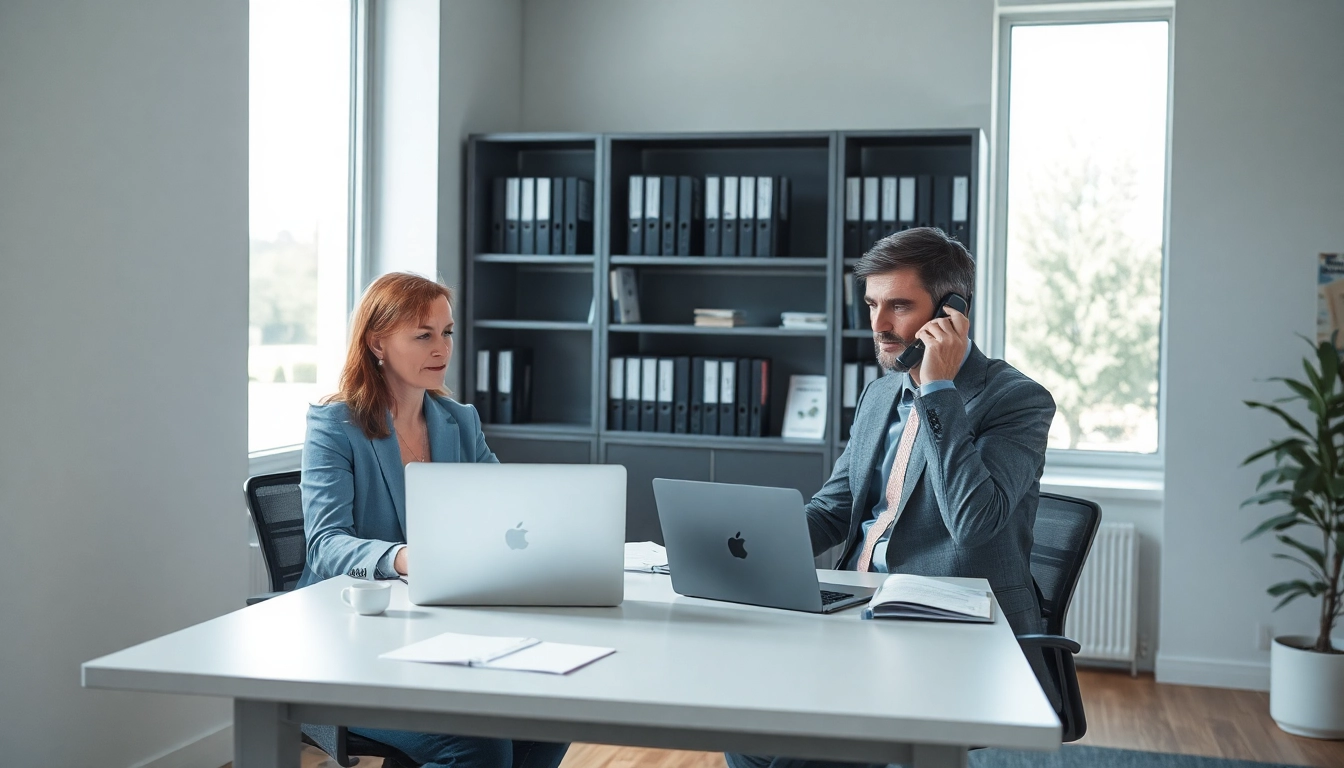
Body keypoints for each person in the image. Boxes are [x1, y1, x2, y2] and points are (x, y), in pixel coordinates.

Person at [726, 228, 1056, 768]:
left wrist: (937, 390)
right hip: (853, 612)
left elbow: (974, 523)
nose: (878, 324)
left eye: (899, 306)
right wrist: (744, 545)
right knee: (746, 727)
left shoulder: (1017, 400)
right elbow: (834, 510)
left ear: (950, 311)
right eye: (872, 304)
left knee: (798, 755)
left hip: (951, 630)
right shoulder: (879, 394)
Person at [297, 271, 568, 768]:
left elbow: (509, 508)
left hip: (437, 631)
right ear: (377, 343)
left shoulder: (458, 420)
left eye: (446, 332)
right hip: (348, 644)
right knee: (477, 746)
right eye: (423, 335)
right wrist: (403, 558)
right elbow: (325, 544)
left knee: (549, 720)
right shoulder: (335, 425)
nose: (441, 348)